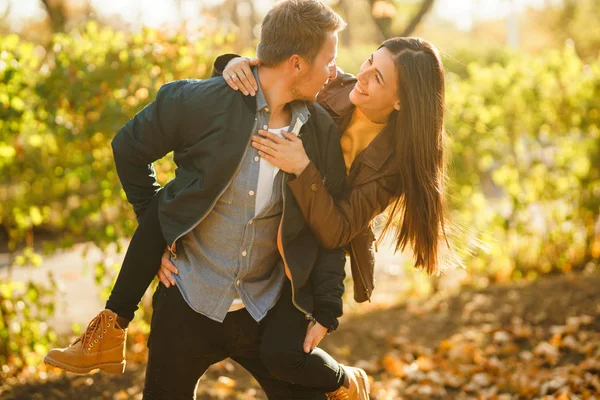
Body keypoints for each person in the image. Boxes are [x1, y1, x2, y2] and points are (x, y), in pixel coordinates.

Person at [45, 1, 371, 399]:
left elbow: (330, 228)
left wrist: (325, 308)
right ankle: (110, 329)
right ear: (297, 63)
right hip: (188, 301)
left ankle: (343, 381)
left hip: (266, 307)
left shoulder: (319, 131)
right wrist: (158, 232)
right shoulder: (199, 101)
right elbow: (127, 148)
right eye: (329, 60)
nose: (334, 71)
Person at [204, 36, 450, 307]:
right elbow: (269, 85)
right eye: (369, 60)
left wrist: (302, 168)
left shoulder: (395, 166)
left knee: (283, 348)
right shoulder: (328, 84)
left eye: (377, 78)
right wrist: (235, 66)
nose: (362, 75)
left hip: (305, 258)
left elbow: (338, 231)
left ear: (401, 101)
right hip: (255, 223)